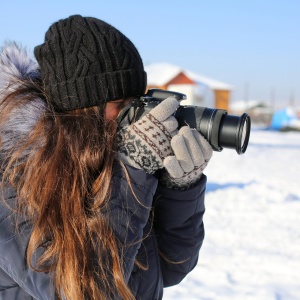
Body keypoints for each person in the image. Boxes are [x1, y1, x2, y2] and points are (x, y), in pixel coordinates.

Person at [0, 15, 212, 300]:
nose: (135, 117)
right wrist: (134, 170)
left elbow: (171, 269)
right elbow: (82, 293)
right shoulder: (13, 179)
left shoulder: (112, 163)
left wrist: (179, 190)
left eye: (136, 102)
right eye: (119, 104)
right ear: (81, 110)